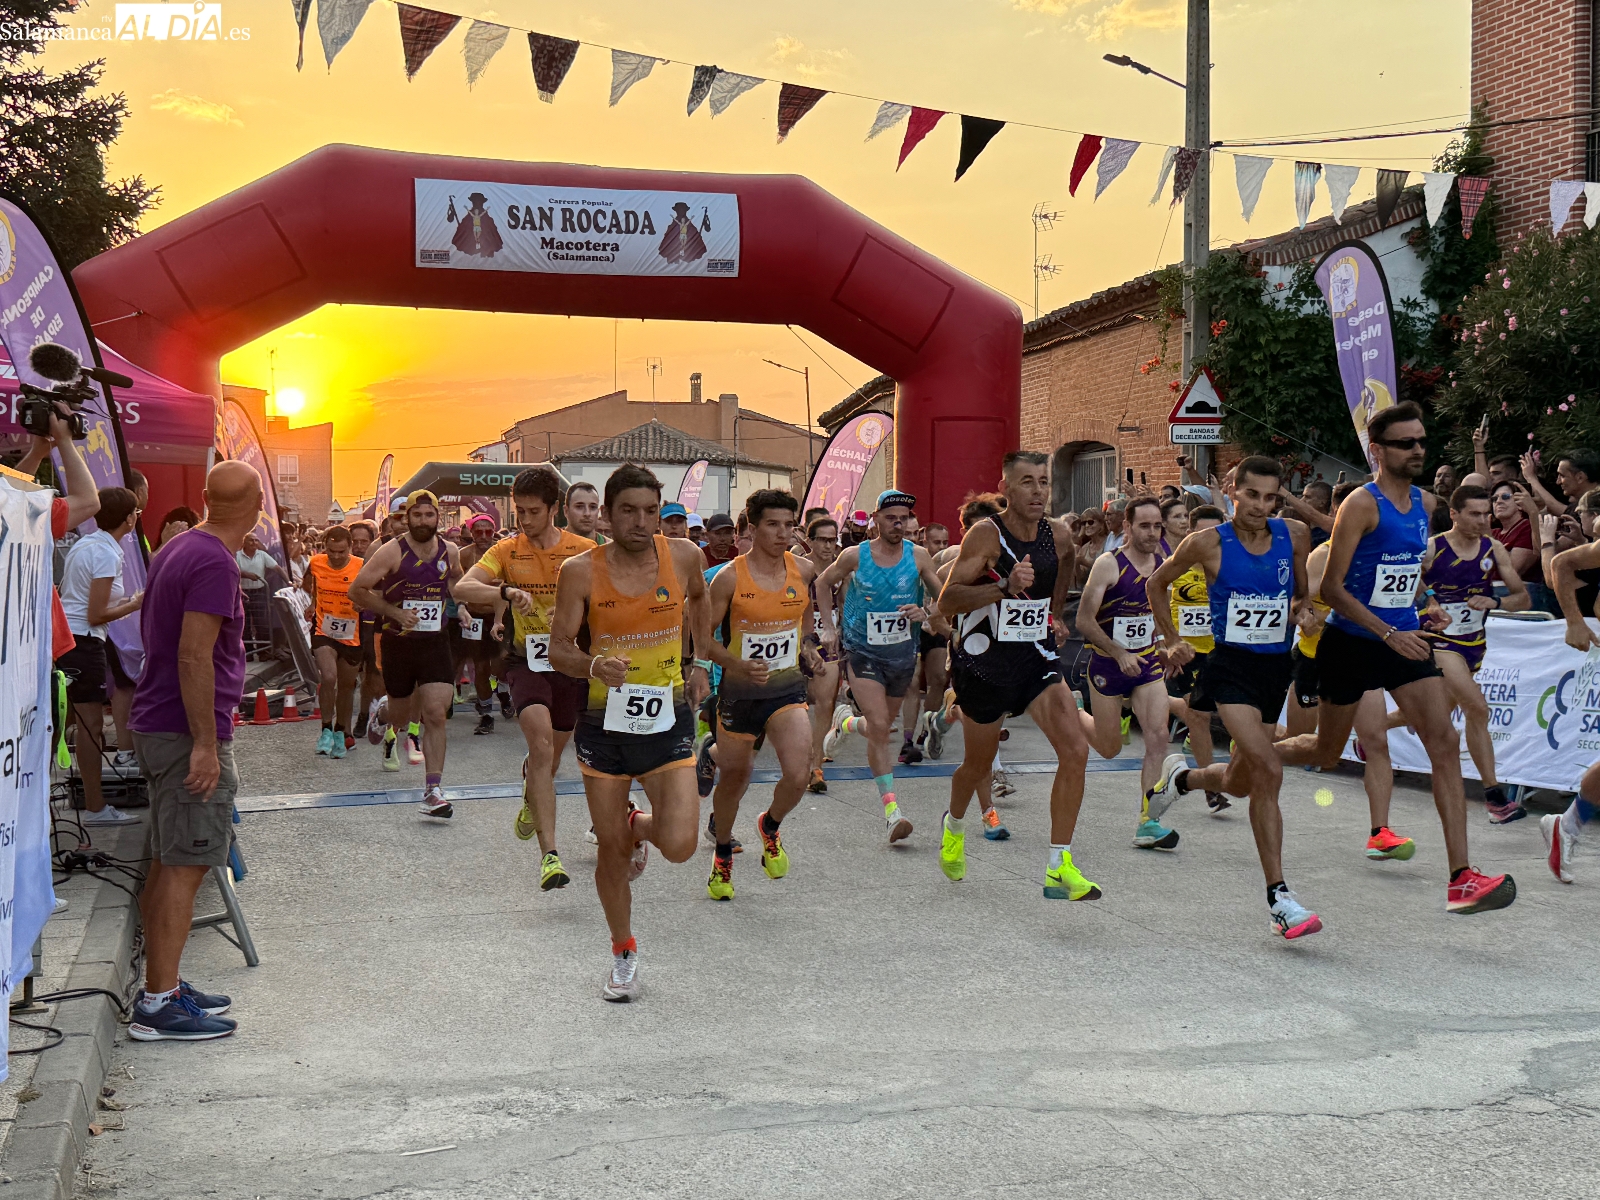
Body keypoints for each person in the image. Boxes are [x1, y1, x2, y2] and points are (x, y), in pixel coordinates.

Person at [1274, 402, 1516, 914]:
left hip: (1403, 637)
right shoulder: (1361, 505)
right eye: (1407, 443)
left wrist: (1426, 603)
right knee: (1323, 750)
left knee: (1444, 741)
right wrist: (1387, 633)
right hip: (1354, 643)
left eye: (1421, 441)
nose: (1418, 450)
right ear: (1378, 451)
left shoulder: (1425, 504)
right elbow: (1335, 590)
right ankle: (1260, 753)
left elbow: (1407, 572)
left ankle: (1461, 878)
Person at [547, 464, 712, 1001]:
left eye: (649, 510)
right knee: (609, 852)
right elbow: (559, 649)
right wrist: (593, 666)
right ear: (608, 515)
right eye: (628, 511)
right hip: (604, 725)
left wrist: (700, 660)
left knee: (683, 845)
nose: (641, 522)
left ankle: (642, 826)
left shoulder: (685, 556)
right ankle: (622, 952)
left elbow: (701, 602)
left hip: (666, 716)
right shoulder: (579, 571)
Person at [1149, 458, 1321, 939]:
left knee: (1243, 782)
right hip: (1229, 669)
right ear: (1232, 492)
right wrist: (1170, 639)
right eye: (1253, 496)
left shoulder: (1294, 536)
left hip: (1273, 668)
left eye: (1272, 498)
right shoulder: (1206, 541)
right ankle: (1280, 898)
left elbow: (1301, 598)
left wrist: (1305, 614)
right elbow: (1155, 583)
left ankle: (1181, 780)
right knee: (1268, 770)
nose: (1261, 507)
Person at [126, 460, 261, 1041]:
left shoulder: (177, 547)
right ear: (256, 504)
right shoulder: (211, 560)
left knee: (168, 860)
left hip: (158, 723)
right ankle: (158, 1005)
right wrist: (206, 742)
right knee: (186, 864)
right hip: (184, 733)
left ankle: (165, 983)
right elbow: (193, 654)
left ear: (206, 500)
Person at [937, 452, 1098, 899]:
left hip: (1035, 655)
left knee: (1076, 750)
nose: (1038, 491)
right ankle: (953, 826)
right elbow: (947, 602)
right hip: (984, 661)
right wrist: (1004, 587)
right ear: (1006, 487)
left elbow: (1062, 567)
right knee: (978, 765)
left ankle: (1058, 864)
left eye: (1044, 482)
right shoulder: (986, 535)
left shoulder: (1059, 535)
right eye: (1027, 482)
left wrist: (1055, 614)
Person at [455, 468, 594, 890]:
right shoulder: (506, 550)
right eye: (520, 511)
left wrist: (575, 616)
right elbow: (463, 588)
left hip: (569, 665)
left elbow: (609, 602)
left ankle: (533, 790)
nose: (526, 519)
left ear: (555, 509)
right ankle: (550, 856)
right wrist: (505, 593)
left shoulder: (584, 550)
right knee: (540, 742)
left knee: (550, 759)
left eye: (534, 511)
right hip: (525, 662)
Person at [701, 490, 816, 900]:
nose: (783, 533)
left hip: (786, 690)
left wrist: (809, 647)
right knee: (735, 777)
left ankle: (770, 823)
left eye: (789, 525)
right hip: (738, 694)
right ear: (750, 528)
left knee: (800, 773)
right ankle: (722, 852)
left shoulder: (803, 569)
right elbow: (703, 640)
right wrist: (735, 664)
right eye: (773, 524)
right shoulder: (729, 577)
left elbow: (804, 618)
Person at [817, 490, 947, 842]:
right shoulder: (855, 555)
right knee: (879, 726)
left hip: (903, 655)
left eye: (904, 518)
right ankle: (892, 811)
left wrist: (927, 613)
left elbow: (944, 596)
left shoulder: (918, 557)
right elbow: (822, 582)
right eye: (891, 517)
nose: (898, 524)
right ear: (876, 519)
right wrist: (829, 627)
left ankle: (845, 722)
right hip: (863, 652)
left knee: (879, 727)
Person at [1409, 484, 1531, 821]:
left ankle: (1374, 732)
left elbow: (1523, 598)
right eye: (1474, 514)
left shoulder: (1494, 549)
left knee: (1436, 710)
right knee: (1477, 707)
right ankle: (1495, 799)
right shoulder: (1433, 548)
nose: (1482, 520)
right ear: (1454, 515)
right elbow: (1408, 582)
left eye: (1485, 514)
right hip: (1439, 642)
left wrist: (1495, 601)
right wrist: (1431, 601)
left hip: (1474, 644)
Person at [1076, 496, 1181, 850]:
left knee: (1158, 736)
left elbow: (1158, 615)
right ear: (1127, 527)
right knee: (1109, 748)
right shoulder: (1108, 565)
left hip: (1148, 663)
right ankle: (1075, 711)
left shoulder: (1164, 564)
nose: (1152, 533)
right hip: (1108, 665)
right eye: (1144, 526)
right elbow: (1083, 620)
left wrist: (1167, 645)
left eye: (1157, 526)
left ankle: (1148, 821)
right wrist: (1118, 652)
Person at [349, 490, 463, 816]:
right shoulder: (391, 551)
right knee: (400, 715)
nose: (424, 522)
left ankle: (433, 790)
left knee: (436, 713)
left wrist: (465, 605)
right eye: (417, 516)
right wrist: (394, 612)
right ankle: (382, 712)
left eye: (430, 516)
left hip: (435, 641)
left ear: (438, 517)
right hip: (398, 641)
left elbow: (454, 582)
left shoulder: (449, 550)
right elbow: (356, 589)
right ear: (407, 517)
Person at [56, 486, 145, 826]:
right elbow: (95, 614)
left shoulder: (87, 543)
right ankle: (95, 807)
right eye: (136, 511)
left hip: (72, 639)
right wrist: (133, 604)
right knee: (90, 727)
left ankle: (92, 803)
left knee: (74, 723)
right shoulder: (105, 552)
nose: (138, 516)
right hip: (83, 641)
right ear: (129, 518)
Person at [1162, 504, 1226, 813]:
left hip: (1223, 652)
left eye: (1215, 532)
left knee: (1231, 718)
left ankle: (1153, 701)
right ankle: (1211, 787)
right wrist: (1168, 641)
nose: (1207, 538)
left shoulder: (1229, 564)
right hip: (1189, 653)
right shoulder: (1176, 564)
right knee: (1198, 718)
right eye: (1201, 531)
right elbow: (1154, 597)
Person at [304, 524, 364, 758]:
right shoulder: (316, 562)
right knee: (328, 677)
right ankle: (326, 729)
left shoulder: (360, 565)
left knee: (347, 688)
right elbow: (310, 585)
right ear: (325, 548)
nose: (337, 557)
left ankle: (341, 731)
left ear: (350, 547)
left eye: (341, 552)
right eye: (332, 551)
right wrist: (312, 603)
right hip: (324, 630)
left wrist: (364, 603)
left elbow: (373, 591)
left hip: (351, 633)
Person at [800, 515, 843, 793]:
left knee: (826, 702)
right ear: (810, 541)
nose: (828, 546)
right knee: (797, 705)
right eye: (823, 540)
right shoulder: (798, 567)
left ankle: (816, 765)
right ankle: (800, 759)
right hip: (797, 640)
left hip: (828, 642)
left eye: (833, 540)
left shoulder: (842, 568)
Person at [453, 513, 506, 735]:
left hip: (500, 614)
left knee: (501, 662)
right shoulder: (463, 555)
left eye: (488, 531)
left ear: (494, 532)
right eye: (478, 531)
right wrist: (462, 606)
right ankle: (486, 714)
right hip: (475, 617)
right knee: (481, 667)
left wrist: (499, 619)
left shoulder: (503, 551)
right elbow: (457, 585)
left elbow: (508, 586)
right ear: (471, 533)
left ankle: (503, 690)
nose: (483, 536)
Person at [346, 520, 385, 741]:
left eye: (364, 541)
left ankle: (365, 716)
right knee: (352, 676)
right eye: (355, 542)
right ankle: (353, 719)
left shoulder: (380, 561)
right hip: (347, 625)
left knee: (371, 675)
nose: (359, 546)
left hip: (371, 624)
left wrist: (367, 600)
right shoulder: (342, 562)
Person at [235, 532, 276, 654]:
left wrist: (289, 582)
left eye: (256, 540)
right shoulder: (237, 555)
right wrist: (245, 574)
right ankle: (247, 653)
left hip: (259, 591)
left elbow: (276, 568)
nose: (254, 543)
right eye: (251, 540)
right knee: (245, 624)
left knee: (261, 622)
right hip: (243, 592)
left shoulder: (262, 555)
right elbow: (231, 570)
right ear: (244, 543)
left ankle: (263, 652)